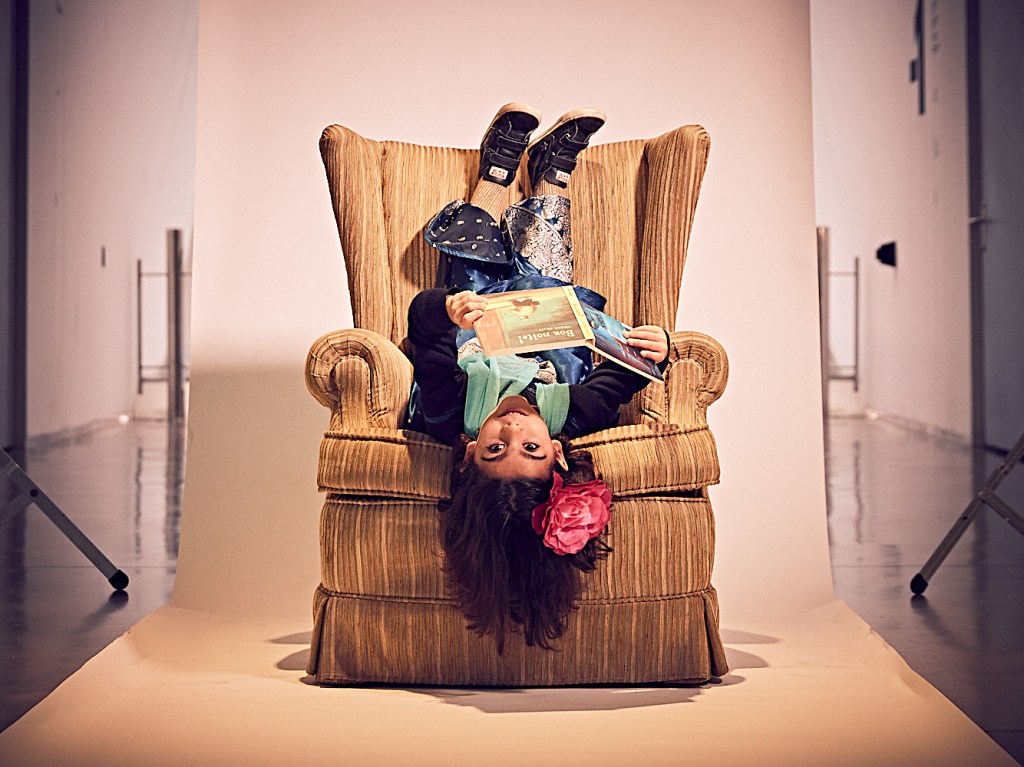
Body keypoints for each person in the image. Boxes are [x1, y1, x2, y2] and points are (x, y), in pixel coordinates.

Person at [404, 103, 670, 652]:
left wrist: (447, 310)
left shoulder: (451, 413)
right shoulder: (574, 413)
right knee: (546, 270)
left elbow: (426, 341)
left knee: (474, 264)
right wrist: (657, 350)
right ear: (559, 454)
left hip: (478, 310)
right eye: (530, 447)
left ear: (468, 452)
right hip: (546, 306)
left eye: (494, 450)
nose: (512, 431)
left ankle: (496, 174)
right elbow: (628, 375)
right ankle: (551, 176)